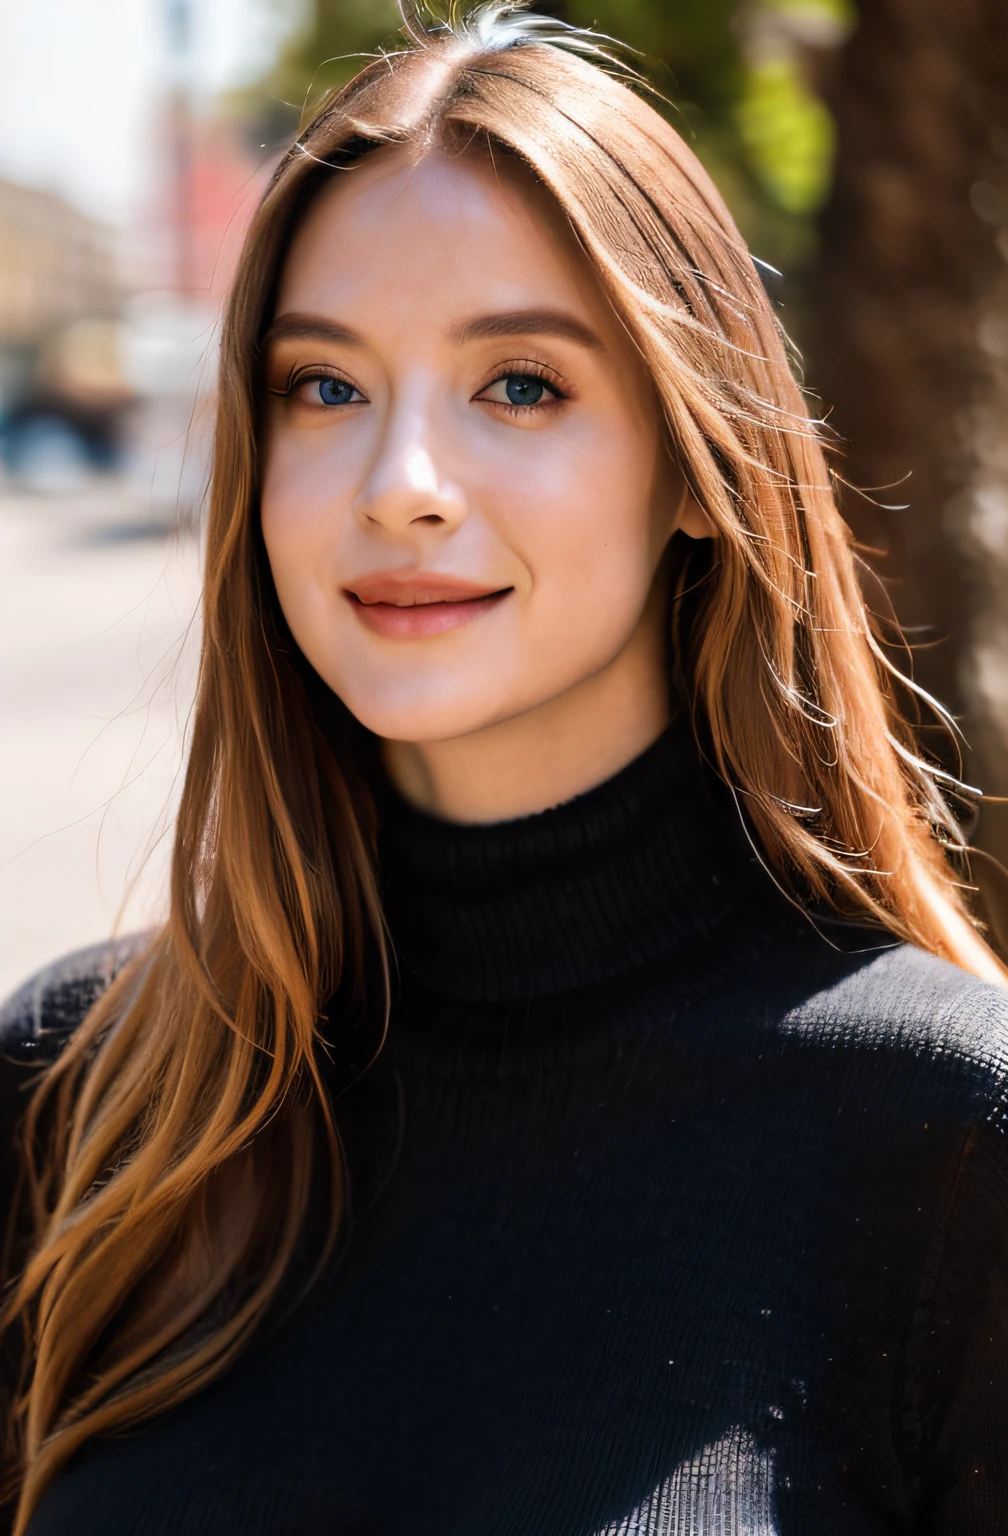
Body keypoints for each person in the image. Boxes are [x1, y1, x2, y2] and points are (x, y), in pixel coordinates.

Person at [2, 5, 1007, 1532]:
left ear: (694, 463)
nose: (400, 486)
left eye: (521, 383)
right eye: (323, 388)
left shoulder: (942, 1135)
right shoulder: (81, 1093)